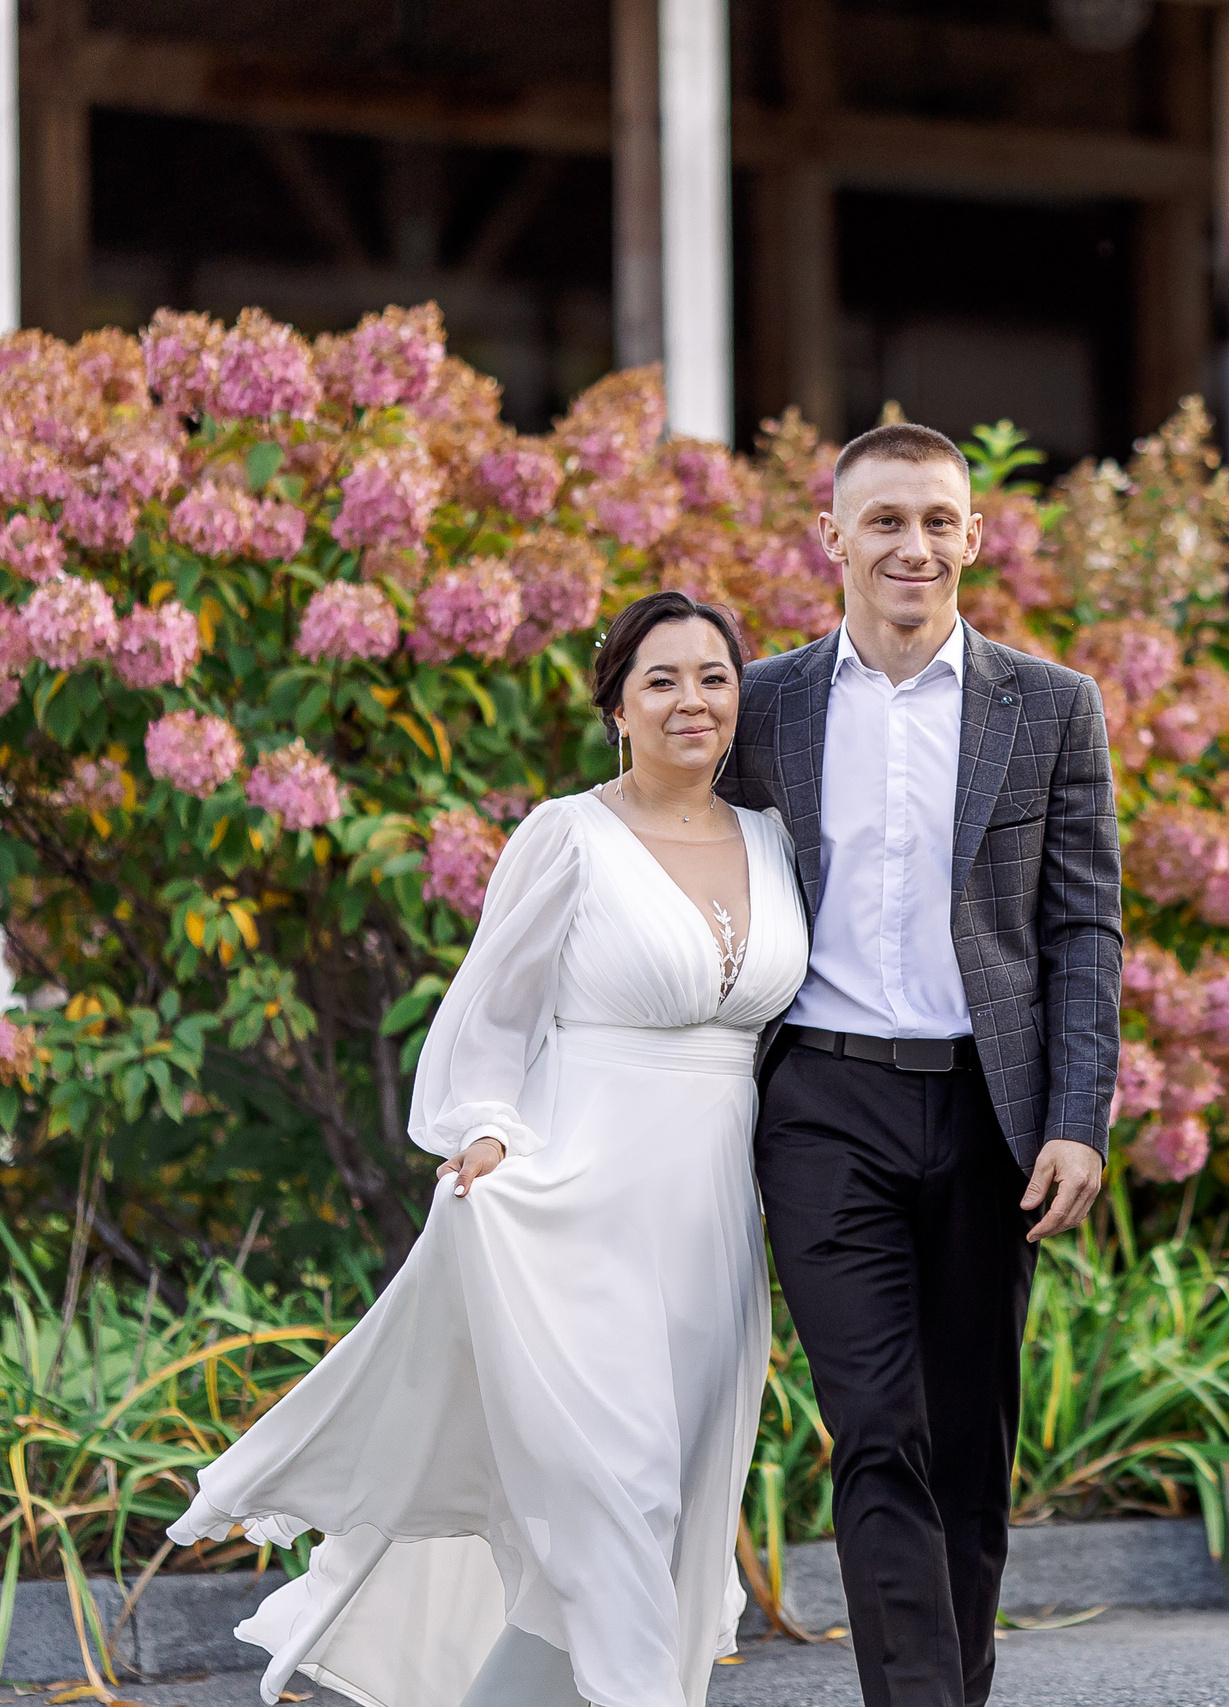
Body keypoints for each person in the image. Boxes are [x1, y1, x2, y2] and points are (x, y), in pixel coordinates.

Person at [168, 592, 808, 1707]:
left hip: (711, 1225)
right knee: (618, 1492)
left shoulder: (774, 841)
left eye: (714, 677)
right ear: (616, 706)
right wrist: (486, 1133)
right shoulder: (570, 835)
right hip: (577, 1207)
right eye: (660, 679)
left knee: (669, 1508)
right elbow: (491, 1018)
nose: (691, 700)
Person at [720, 421, 1122, 1707]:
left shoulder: (1050, 705)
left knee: (967, 1444)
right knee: (878, 1434)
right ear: (831, 537)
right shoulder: (762, 705)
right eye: (884, 520)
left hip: (988, 1113)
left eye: (938, 521)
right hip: (821, 1105)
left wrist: (1078, 1117)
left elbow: (1083, 927)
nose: (913, 545)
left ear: (974, 539)